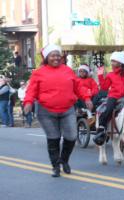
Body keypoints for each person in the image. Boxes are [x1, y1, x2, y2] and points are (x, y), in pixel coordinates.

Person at [24, 44, 93, 177]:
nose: (56, 58)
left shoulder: (67, 70)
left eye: (57, 55)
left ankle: (64, 160)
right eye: (52, 55)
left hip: (67, 110)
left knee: (71, 137)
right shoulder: (38, 72)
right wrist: (28, 102)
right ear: (47, 58)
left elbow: (78, 87)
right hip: (46, 111)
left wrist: (87, 98)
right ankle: (55, 166)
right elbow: (31, 90)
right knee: (53, 138)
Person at [93, 51, 124, 146]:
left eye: (114, 61)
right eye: (111, 61)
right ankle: (101, 128)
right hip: (113, 97)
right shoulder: (110, 74)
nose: (112, 63)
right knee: (108, 109)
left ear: (120, 63)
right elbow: (104, 87)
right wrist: (100, 75)